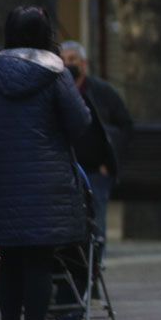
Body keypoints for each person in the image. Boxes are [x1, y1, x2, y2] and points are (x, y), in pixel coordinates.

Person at [0, 6, 92, 320]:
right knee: (38, 261)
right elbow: (80, 123)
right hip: (47, 187)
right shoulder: (55, 74)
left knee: (10, 261)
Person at [59, 41, 133, 240]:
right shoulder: (55, 92)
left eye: (72, 59)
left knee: (96, 227)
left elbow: (125, 126)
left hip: (96, 172)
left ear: (84, 64)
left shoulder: (102, 93)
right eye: (63, 60)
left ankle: (96, 266)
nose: (68, 65)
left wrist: (108, 162)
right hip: (63, 172)